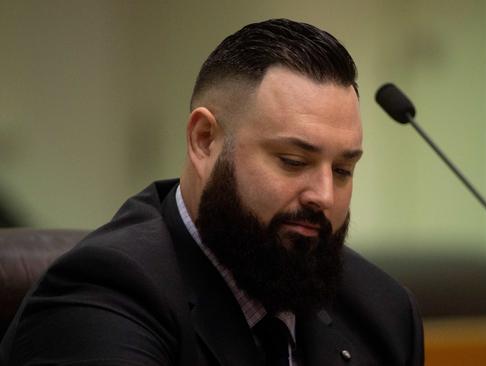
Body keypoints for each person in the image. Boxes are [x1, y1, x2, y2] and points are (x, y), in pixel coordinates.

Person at [0, 18, 424, 365]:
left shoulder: (383, 311)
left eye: (344, 169)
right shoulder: (103, 296)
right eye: (293, 161)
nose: (324, 196)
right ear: (205, 140)